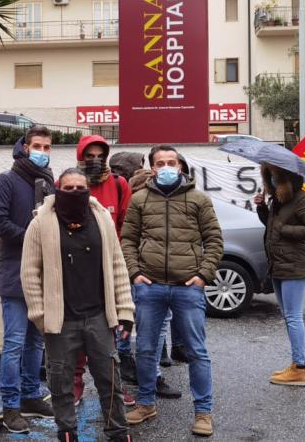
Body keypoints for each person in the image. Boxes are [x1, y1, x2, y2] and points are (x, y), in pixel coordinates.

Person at [21, 168, 135, 442]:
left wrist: (125, 310)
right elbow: (29, 273)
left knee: (109, 379)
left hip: (98, 315)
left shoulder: (102, 218)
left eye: (79, 188)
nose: (74, 193)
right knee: (60, 383)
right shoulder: (40, 224)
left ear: (88, 190)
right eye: (68, 188)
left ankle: (118, 431)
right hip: (61, 319)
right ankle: (67, 431)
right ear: (58, 190)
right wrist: (40, 316)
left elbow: (117, 265)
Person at [121, 144, 223, 437]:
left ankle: (203, 412)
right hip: (149, 286)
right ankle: (145, 403)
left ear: (180, 166)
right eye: (160, 162)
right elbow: (128, 240)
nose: (166, 167)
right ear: (152, 168)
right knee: (146, 349)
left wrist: (203, 275)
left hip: (187, 288)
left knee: (196, 351)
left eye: (171, 162)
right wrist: (135, 273)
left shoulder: (199, 199)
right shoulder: (140, 199)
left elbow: (214, 240)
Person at [0, 126, 56, 433]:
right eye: (36, 145)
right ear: (25, 147)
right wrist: (32, 237)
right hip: (15, 273)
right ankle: (10, 406)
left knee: (36, 341)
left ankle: (30, 395)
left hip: (45, 275)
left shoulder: (50, 182)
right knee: (14, 342)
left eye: (47, 146)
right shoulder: (5, 181)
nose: (42, 150)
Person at [73, 137, 136, 405]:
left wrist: (119, 259)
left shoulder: (120, 185)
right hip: (76, 269)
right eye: (89, 155)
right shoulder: (71, 183)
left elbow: (127, 225)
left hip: (108, 269)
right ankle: (75, 383)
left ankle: (113, 386)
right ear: (81, 156)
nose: (95, 160)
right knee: (74, 330)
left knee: (109, 329)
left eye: (100, 155)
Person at [254, 162, 305, 387]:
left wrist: (285, 229)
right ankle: (296, 364)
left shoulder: (300, 199)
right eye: (268, 177)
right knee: (288, 316)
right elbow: (271, 227)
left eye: (273, 177)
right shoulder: (277, 201)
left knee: (293, 317)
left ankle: (300, 368)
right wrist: (262, 208)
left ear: (284, 178)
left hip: (294, 266)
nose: (270, 181)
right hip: (279, 265)